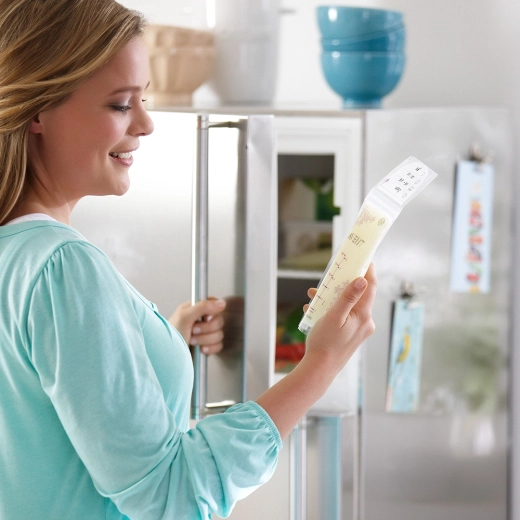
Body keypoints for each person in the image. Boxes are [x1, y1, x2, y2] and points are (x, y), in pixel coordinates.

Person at [0, 1, 377, 519]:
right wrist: (321, 364)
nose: (146, 123)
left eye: (144, 99)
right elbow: (169, 496)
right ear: (37, 110)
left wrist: (155, 345)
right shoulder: (63, 267)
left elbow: (38, 428)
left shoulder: (21, 258)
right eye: (120, 105)